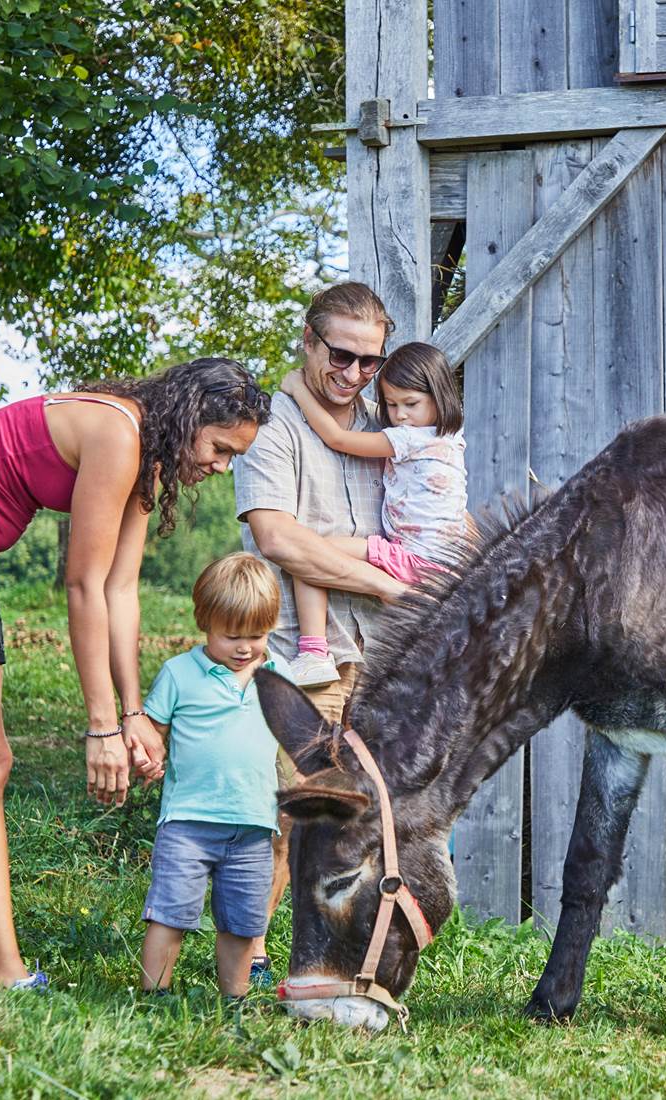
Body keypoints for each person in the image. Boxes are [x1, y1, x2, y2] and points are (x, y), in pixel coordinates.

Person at [0, 359, 271, 988]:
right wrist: (100, 729)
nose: (223, 466)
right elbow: (84, 585)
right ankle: (7, 975)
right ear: (190, 419)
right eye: (221, 448)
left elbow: (121, 590)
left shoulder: (145, 457)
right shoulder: (119, 435)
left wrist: (133, 713)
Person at [233, 282, 407, 983]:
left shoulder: (389, 422)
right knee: (286, 821)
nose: (355, 373)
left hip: (386, 655)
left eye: (370, 361)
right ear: (308, 340)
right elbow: (279, 539)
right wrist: (385, 582)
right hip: (305, 660)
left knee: (377, 820)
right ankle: (247, 960)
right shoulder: (272, 425)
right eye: (341, 355)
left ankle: (351, 955)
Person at [278, 341, 467, 687]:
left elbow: (337, 438)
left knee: (311, 553)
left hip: (413, 559)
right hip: (444, 567)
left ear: (439, 397)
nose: (400, 415)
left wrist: (297, 389)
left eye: (410, 404)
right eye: (391, 405)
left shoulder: (410, 439)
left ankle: (314, 652)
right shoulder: (452, 440)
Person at [138, 553, 283, 998]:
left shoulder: (278, 675)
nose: (244, 648)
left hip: (254, 825)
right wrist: (147, 757)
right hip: (189, 822)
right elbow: (152, 732)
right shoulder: (179, 674)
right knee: (171, 914)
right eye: (231, 636)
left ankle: (233, 999)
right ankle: (155, 995)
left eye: (256, 636)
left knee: (242, 924)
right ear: (205, 623)